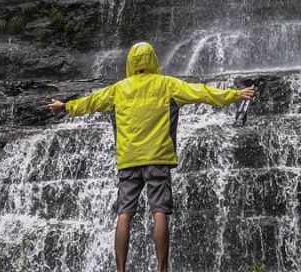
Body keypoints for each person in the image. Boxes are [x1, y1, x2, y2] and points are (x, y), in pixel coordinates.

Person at [47, 41, 257, 272]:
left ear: (130, 63)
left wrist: (65, 106)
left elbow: (90, 102)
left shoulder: (118, 89)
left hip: (128, 159)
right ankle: (162, 268)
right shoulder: (166, 84)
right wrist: (236, 95)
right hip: (158, 157)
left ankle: (121, 269)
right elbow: (202, 93)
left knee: (124, 213)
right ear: (153, 60)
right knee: (159, 212)